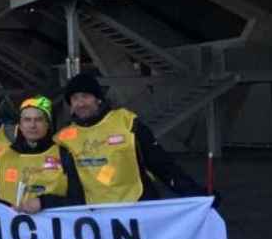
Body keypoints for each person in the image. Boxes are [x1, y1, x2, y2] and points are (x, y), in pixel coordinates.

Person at [54, 73, 206, 204]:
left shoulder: (126, 122)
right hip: (96, 214)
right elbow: (58, 180)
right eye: (74, 98)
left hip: (138, 206)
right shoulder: (65, 137)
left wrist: (196, 194)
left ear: (98, 99)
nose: (80, 103)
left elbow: (161, 164)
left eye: (86, 96)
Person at [0, 96, 84, 213]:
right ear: (20, 125)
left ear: (47, 124)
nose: (32, 125)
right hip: (12, 227)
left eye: (38, 119)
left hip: (51, 228)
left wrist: (44, 202)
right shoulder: (7, 155)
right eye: (27, 120)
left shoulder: (63, 155)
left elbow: (78, 201)